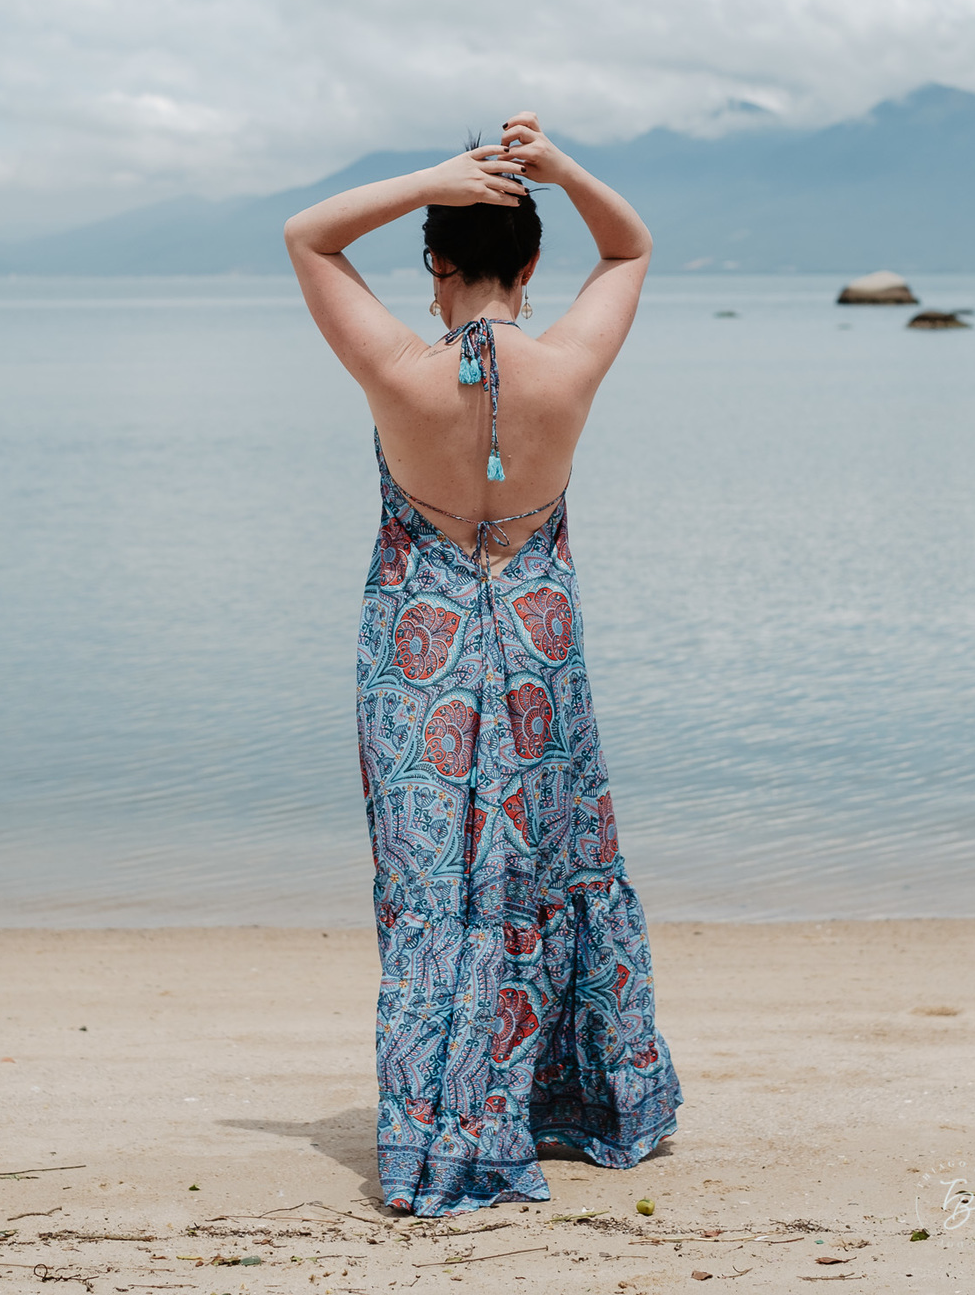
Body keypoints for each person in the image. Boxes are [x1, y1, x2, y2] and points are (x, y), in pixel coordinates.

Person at [285, 111, 681, 1216]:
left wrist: (431, 177)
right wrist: (553, 166)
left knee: (435, 889)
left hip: (421, 655)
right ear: (535, 263)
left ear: (433, 265)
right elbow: (633, 246)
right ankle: (574, 1103)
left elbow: (307, 237)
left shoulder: (404, 372)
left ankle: (449, 1127)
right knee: (547, 871)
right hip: (539, 649)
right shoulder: (568, 368)